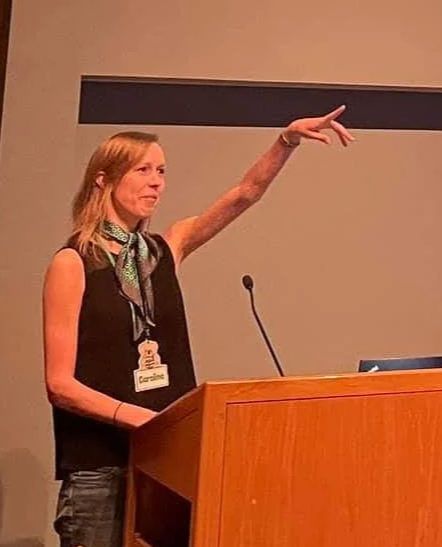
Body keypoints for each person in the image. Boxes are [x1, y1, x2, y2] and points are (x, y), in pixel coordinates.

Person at [42, 110, 354, 547]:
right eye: (143, 170)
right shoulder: (73, 262)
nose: (157, 182)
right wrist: (141, 420)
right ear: (103, 179)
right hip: (101, 468)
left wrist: (286, 141)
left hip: (166, 461)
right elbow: (60, 385)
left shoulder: (163, 250)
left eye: (162, 171)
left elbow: (244, 194)